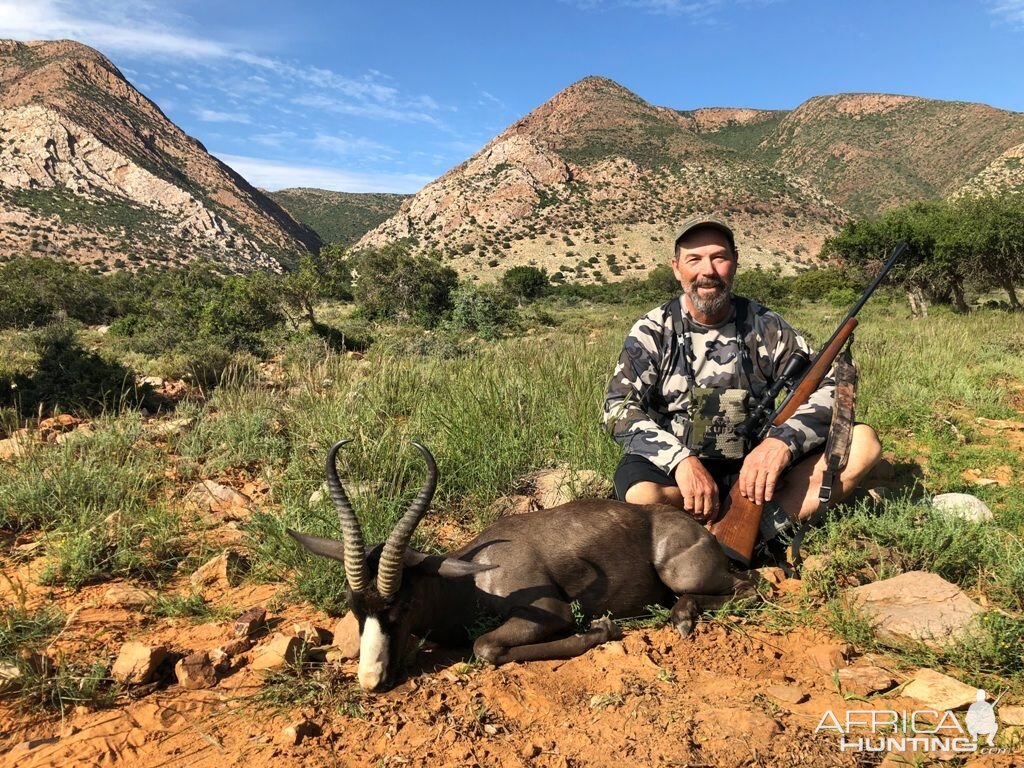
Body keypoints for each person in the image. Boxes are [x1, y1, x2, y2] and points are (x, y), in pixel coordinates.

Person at [603, 214, 882, 546]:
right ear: (677, 268)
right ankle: (700, 538)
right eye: (695, 259)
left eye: (719, 257)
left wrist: (782, 443)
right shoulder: (652, 330)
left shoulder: (766, 325)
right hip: (680, 470)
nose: (708, 270)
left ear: (734, 263)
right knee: (643, 495)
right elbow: (617, 408)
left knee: (864, 443)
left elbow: (832, 386)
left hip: (755, 468)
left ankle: (754, 534)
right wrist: (680, 461)